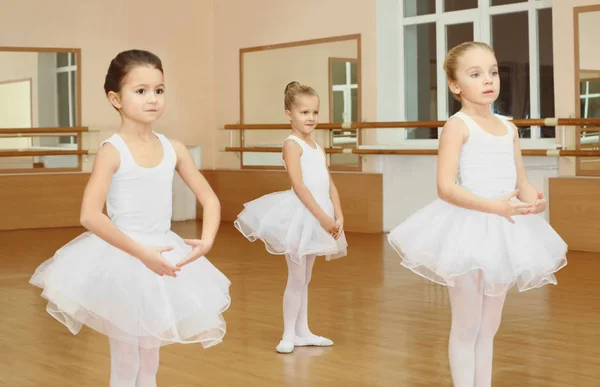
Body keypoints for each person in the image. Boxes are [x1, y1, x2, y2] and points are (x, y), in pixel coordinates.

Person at [30, 49, 231, 387]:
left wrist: (206, 241)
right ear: (115, 98)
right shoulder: (113, 150)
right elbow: (90, 215)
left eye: (159, 90)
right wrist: (141, 254)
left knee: (150, 356)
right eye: (141, 91)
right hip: (123, 257)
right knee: (125, 358)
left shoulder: (174, 148)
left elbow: (209, 198)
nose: (152, 99)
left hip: (163, 252)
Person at [387, 42, 567, 387]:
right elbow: (446, 187)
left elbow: (521, 179)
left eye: (493, 71)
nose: (488, 79)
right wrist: (494, 206)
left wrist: (532, 200)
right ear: (455, 86)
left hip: (504, 231)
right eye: (476, 74)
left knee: (490, 327)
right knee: (467, 325)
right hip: (467, 229)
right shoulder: (458, 126)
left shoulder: (509, 127)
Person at [234, 81, 347, 354]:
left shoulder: (317, 147)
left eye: (315, 112)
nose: (311, 118)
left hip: (321, 215)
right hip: (301, 216)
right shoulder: (291, 144)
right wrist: (322, 218)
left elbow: (329, 184)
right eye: (304, 112)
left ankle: (303, 331)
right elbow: (299, 186)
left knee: (305, 278)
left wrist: (338, 214)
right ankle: (288, 334)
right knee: (296, 278)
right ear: (289, 114)